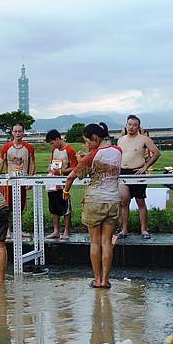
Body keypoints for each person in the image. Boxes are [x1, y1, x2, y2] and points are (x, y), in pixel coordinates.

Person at [63, 123, 121, 289]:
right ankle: (106, 280)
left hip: (94, 201)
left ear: (95, 138)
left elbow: (72, 177)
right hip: (113, 201)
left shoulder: (92, 155)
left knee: (95, 243)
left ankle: (97, 279)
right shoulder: (118, 151)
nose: (86, 145)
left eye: (87, 141)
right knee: (107, 242)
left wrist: (66, 192)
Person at [117, 115, 161, 239]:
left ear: (138, 127)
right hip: (123, 172)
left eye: (134, 125)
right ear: (126, 125)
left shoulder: (144, 139)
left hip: (138, 172)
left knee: (140, 201)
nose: (131, 127)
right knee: (124, 201)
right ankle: (124, 230)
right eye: (129, 124)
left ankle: (144, 230)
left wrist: (145, 167)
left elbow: (157, 152)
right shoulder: (121, 140)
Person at [0, 123, 36, 240]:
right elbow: (1, 162)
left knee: (20, 206)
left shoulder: (29, 147)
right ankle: (7, 230)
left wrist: (30, 179)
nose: (17, 133)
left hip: (23, 181)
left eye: (20, 131)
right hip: (9, 182)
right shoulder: (6, 147)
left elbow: (32, 163)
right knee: (7, 206)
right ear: (12, 132)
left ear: (23, 132)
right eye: (15, 131)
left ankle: (19, 229)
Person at [45, 129, 78, 240]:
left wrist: (62, 171)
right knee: (54, 204)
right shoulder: (54, 149)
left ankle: (66, 231)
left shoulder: (69, 150)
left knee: (65, 205)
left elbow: (75, 167)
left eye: (52, 142)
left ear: (58, 139)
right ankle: (56, 230)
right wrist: (50, 168)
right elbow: (52, 163)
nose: (52, 145)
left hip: (64, 181)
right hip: (53, 181)